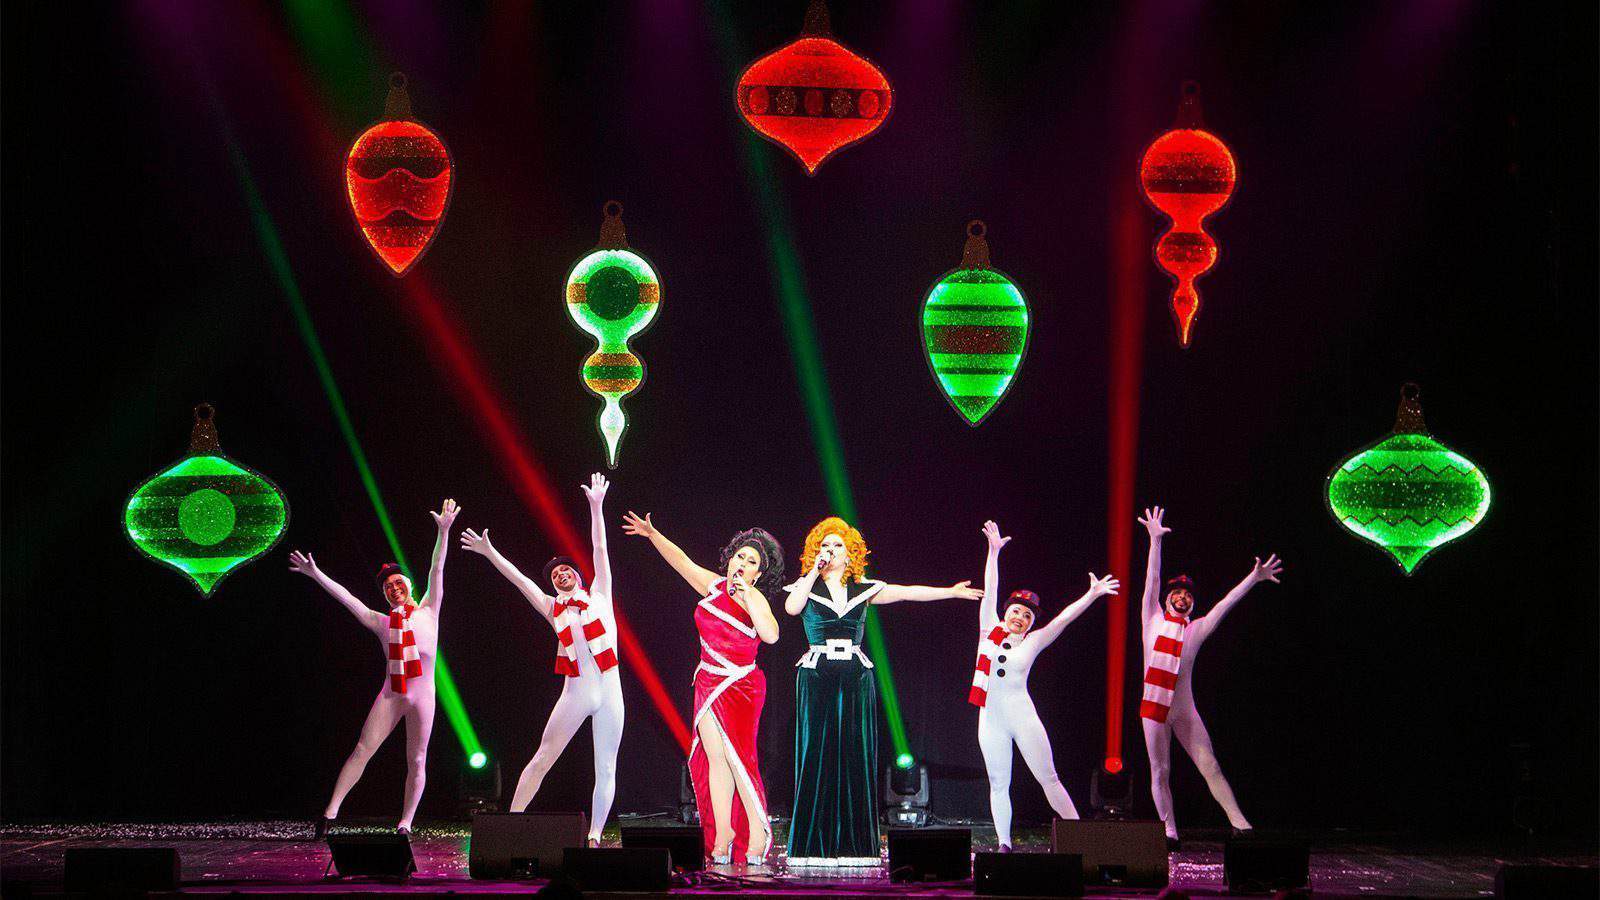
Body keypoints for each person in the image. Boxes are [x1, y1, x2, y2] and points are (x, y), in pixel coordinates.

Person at [782, 516, 984, 867]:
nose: (831, 550)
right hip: (816, 676)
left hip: (856, 676)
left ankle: (856, 843)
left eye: (838, 545)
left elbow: (907, 592)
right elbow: (792, 608)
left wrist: (950, 591)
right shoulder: (806, 586)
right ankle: (812, 841)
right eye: (825, 545)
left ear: (851, 553)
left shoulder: (864, 588)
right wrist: (813, 571)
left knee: (853, 755)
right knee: (818, 753)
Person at [459, 474, 622, 846]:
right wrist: (490, 552)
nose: (561, 574)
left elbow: (600, 549)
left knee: (606, 766)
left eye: (566, 569)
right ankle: (511, 824)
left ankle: (595, 835)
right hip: (576, 692)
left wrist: (596, 507)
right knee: (543, 757)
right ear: (552, 584)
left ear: (577, 575)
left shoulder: (600, 594)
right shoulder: (552, 608)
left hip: (610, 691)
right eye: (555, 574)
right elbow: (520, 580)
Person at [290, 498, 460, 838]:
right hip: (392, 693)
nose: (395, 589)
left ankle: (405, 823)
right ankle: (330, 814)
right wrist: (315, 573)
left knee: (417, 761)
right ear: (384, 595)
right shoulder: (380, 622)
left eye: (399, 584)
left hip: (423, 697)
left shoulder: (429, 611)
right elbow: (347, 597)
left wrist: (443, 531)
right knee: (363, 749)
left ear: (409, 585)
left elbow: (436, 570)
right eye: (388, 588)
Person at [622, 511, 781, 865]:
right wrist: (652, 534)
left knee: (741, 759)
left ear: (758, 572)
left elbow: (771, 635)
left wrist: (749, 596)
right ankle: (722, 832)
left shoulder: (755, 599)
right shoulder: (712, 585)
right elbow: (681, 561)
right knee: (716, 759)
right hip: (707, 680)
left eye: (751, 561)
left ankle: (757, 831)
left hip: (741, 685)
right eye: (740, 555)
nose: (743, 562)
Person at [1136, 505, 1283, 848]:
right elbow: (1152, 580)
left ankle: (1241, 825)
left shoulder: (1197, 630)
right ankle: (1169, 832)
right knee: (1160, 772)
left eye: (1188, 594)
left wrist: (1254, 577)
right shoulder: (1152, 619)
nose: (1182, 597)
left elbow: (1226, 603)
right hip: (1152, 710)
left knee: (1210, 765)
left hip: (1183, 710)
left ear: (1192, 603)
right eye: (1178, 593)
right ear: (1168, 598)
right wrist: (1155, 541)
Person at [970, 520, 1119, 851]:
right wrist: (993, 552)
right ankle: (1005, 843)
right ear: (1006, 612)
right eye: (1016, 611)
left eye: (1026, 615)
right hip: (990, 719)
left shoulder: (1033, 642)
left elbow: (1063, 619)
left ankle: (1084, 838)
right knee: (998, 783)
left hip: (1022, 717)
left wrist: (1092, 595)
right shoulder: (988, 627)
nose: (1020, 617)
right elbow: (990, 588)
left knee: (1048, 779)